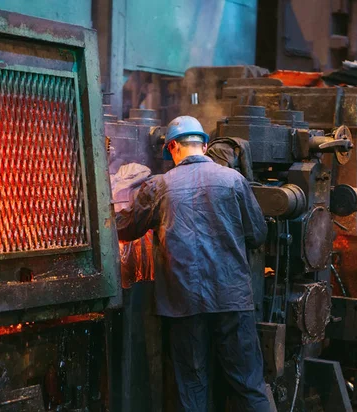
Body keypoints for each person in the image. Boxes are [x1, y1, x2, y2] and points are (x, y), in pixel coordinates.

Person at [115, 115, 270, 411]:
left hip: (183, 302)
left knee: (193, 387)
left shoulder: (159, 186)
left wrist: (113, 209)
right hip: (232, 298)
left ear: (172, 147)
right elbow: (258, 234)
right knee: (249, 386)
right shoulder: (234, 180)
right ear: (205, 145)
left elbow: (126, 229)